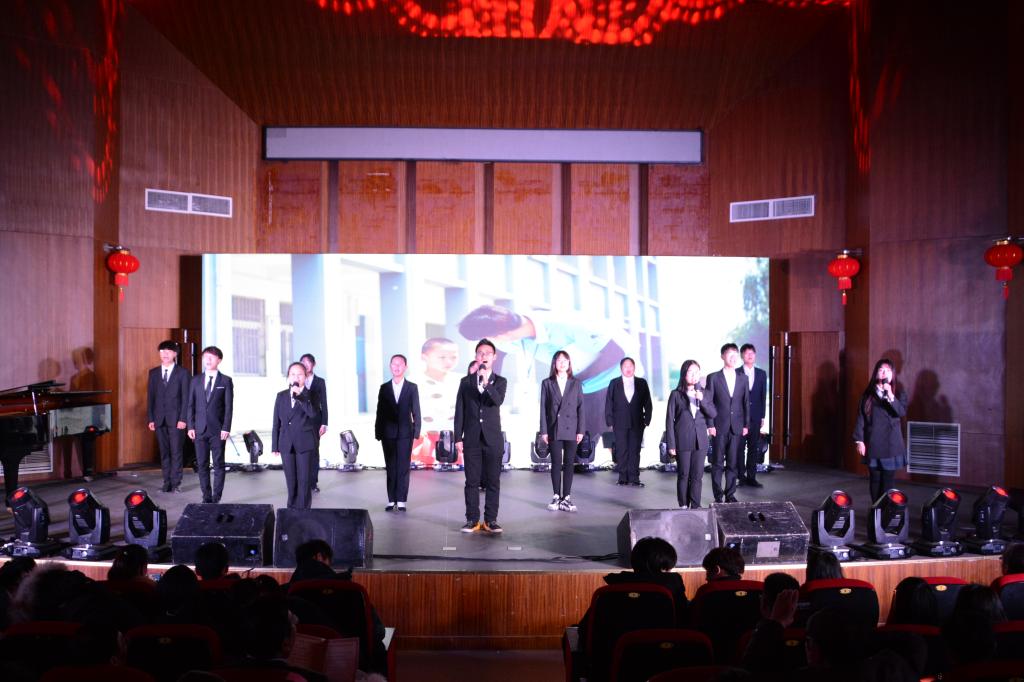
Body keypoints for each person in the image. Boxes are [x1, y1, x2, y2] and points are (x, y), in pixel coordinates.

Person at [454, 339, 507, 534]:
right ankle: (472, 520)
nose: (483, 356)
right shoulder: (465, 382)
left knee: (493, 481)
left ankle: (491, 520)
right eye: (480, 353)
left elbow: (497, 401)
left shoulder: (500, 381)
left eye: (487, 353)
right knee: (472, 481)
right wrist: (458, 437)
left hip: (493, 438)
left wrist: (486, 382)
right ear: (476, 356)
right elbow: (460, 411)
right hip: (472, 438)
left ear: (494, 357)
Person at [853, 358, 908, 503]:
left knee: (888, 480)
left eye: (888, 370)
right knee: (875, 479)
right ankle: (876, 509)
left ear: (893, 374)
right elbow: (861, 417)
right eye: (881, 370)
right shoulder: (868, 395)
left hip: (891, 444)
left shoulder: (898, 393)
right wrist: (859, 440)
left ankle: (886, 510)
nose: (884, 373)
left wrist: (890, 395)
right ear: (876, 373)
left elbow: (900, 412)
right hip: (873, 442)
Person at [666, 360, 716, 509]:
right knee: (684, 474)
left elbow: (713, 413)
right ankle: (683, 504)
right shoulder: (676, 395)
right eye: (691, 372)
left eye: (697, 372)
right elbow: (669, 420)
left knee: (697, 476)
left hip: (700, 441)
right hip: (682, 440)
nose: (694, 375)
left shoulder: (705, 393)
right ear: (684, 374)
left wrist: (702, 400)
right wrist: (671, 444)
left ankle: (695, 505)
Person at [186, 346, 234, 504]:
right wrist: (190, 426)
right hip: (199, 429)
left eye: (211, 357)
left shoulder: (225, 381)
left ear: (219, 360)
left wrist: (226, 428)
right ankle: (206, 497)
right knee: (202, 464)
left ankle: (216, 497)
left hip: (218, 430)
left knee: (219, 464)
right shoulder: (195, 380)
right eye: (205, 357)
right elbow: (190, 405)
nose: (207, 360)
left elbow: (228, 407)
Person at [703, 343, 749, 503]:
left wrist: (746, 425)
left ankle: (730, 494)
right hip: (718, 426)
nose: (733, 357)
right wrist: (710, 425)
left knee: (733, 463)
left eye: (736, 354)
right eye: (730, 354)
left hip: (737, 426)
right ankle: (718, 495)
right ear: (723, 356)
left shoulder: (743, 378)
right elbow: (708, 402)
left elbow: (745, 402)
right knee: (717, 463)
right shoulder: (713, 378)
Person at [374, 354, 421, 512]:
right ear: (390, 367)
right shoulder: (384, 388)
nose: (397, 367)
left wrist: (416, 431)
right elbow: (380, 412)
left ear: (405, 367)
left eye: (400, 364)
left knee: (403, 467)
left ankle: (401, 500)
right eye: (394, 364)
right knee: (390, 467)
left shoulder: (412, 387)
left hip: (405, 433)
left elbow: (416, 411)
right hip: (388, 433)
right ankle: (391, 499)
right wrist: (378, 431)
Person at [540, 350, 585, 513]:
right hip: (554, 427)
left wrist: (581, 430)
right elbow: (543, 408)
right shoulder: (547, 383)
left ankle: (566, 497)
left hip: (572, 427)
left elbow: (581, 407)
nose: (562, 363)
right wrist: (544, 431)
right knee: (556, 463)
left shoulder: (576, 383)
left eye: (565, 360)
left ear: (569, 363)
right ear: (554, 363)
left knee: (569, 463)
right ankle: (556, 496)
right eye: (559, 360)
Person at [272, 362, 321, 510]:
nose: (296, 377)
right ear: (288, 377)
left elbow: (313, 414)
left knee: (304, 480)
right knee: (291, 480)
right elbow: (276, 422)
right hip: (286, 443)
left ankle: (304, 512)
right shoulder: (281, 396)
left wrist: (300, 397)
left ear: (305, 377)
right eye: (293, 374)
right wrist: (275, 445)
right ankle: (291, 511)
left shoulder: (312, 394)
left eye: (300, 374)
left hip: (304, 443)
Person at [147, 340, 191, 493]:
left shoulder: (183, 373)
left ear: (175, 354)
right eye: (162, 351)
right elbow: (151, 397)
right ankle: (166, 482)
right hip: (159, 419)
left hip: (176, 420)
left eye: (168, 351)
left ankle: (176, 483)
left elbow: (186, 398)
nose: (164, 354)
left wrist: (183, 419)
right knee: (164, 452)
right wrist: (151, 418)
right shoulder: (153, 373)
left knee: (176, 452)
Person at [411, 338, 460, 467]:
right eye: (442, 357)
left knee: (456, 474)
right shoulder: (413, 383)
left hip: (455, 440)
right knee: (424, 475)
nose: (448, 361)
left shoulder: (463, 381)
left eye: (453, 357)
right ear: (424, 357)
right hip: (423, 441)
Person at [604, 357, 653, 486]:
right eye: (625, 366)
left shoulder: (641, 382)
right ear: (621, 368)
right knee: (621, 450)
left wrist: (647, 420)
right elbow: (609, 402)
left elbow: (648, 403)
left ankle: (634, 478)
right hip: (619, 422)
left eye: (630, 365)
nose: (628, 368)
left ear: (634, 367)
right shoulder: (614, 383)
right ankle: (623, 478)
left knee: (635, 450)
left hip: (637, 422)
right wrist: (610, 421)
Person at [739, 343, 768, 488]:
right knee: (739, 448)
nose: (750, 355)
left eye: (752, 353)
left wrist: (762, 416)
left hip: (756, 416)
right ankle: (740, 477)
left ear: (755, 355)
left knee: (753, 447)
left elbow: (763, 396)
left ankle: (752, 477)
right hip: (740, 417)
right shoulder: (736, 372)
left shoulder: (761, 373)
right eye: (747, 353)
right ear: (742, 356)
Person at [300, 354, 328, 494]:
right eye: (303, 362)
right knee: (301, 451)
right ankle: (302, 482)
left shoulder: (320, 382)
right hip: (300, 420)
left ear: (313, 364)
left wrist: (324, 423)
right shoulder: (297, 380)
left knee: (314, 451)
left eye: (308, 362)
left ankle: (313, 482)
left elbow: (324, 403)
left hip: (316, 421)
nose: (305, 365)